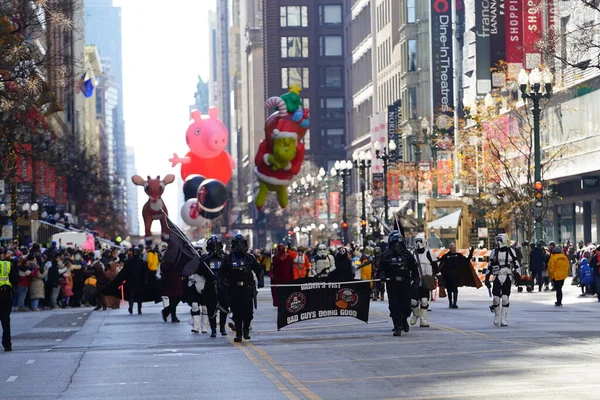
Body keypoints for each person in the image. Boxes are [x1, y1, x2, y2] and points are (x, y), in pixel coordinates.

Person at [220, 234, 264, 342]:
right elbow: (221, 273)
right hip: (234, 289)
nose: (239, 246)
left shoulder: (250, 257)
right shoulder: (228, 258)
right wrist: (222, 282)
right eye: (237, 244)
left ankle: (246, 330)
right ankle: (239, 333)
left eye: (241, 244)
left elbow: (259, 270)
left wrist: (260, 281)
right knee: (236, 312)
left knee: (248, 311)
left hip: (247, 288)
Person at [379, 231, 419, 337]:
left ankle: (404, 319)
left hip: (405, 284)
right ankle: (397, 326)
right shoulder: (386, 255)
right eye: (394, 243)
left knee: (406, 307)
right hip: (392, 284)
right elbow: (381, 269)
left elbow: (414, 270)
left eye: (398, 243)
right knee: (394, 306)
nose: (397, 246)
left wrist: (416, 282)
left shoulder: (407, 255)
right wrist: (382, 276)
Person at [487, 234, 519, 326]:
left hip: (507, 276)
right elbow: (490, 265)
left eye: (499, 240)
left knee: (505, 298)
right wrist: (487, 277)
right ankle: (497, 316)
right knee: (496, 298)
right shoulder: (494, 252)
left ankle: (503, 318)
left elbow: (516, 263)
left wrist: (517, 274)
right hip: (497, 276)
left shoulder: (511, 251)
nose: (498, 242)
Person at [201, 235, 228, 337]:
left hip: (222, 286)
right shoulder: (204, 259)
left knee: (224, 307)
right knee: (211, 308)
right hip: (210, 286)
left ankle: (222, 327)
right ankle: (213, 329)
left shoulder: (225, 257)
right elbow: (200, 270)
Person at [410, 236, 439, 328]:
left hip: (426, 280)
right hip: (415, 280)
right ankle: (416, 314)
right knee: (413, 301)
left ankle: (423, 320)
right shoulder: (412, 253)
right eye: (416, 241)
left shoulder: (429, 253)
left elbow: (435, 266)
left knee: (424, 301)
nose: (418, 243)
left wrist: (439, 278)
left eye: (419, 241)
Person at [439, 244, 474, 309]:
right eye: (452, 248)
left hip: (456, 275)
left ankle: (455, 303)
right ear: (450, 248)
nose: (454, 249)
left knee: (455, 289)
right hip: (448, 276)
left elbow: (466, 261)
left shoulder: (459, 255)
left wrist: (471, 254)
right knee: (449, 290)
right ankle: (450, 303)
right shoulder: (446, 256)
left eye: (454, 248)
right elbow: (440, 263)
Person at [1, 253, 18, 351]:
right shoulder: (7, 265)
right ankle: (7, 344)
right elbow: (15, 280)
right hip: (5, 294)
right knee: (5, 321)